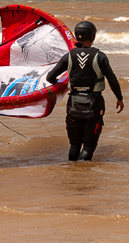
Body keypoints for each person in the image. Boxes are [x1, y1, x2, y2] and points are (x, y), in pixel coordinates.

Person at [46, 20, 124, 162]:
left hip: (73, 105)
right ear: (92, 37)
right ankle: (82, 175)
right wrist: (119, 98)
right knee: (88, 146)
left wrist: (62, 86)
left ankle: (72, 173)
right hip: (93, 106)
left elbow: (50, 77)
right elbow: (112, 79)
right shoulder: (100, 56)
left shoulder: (68, 56)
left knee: (74, 144)